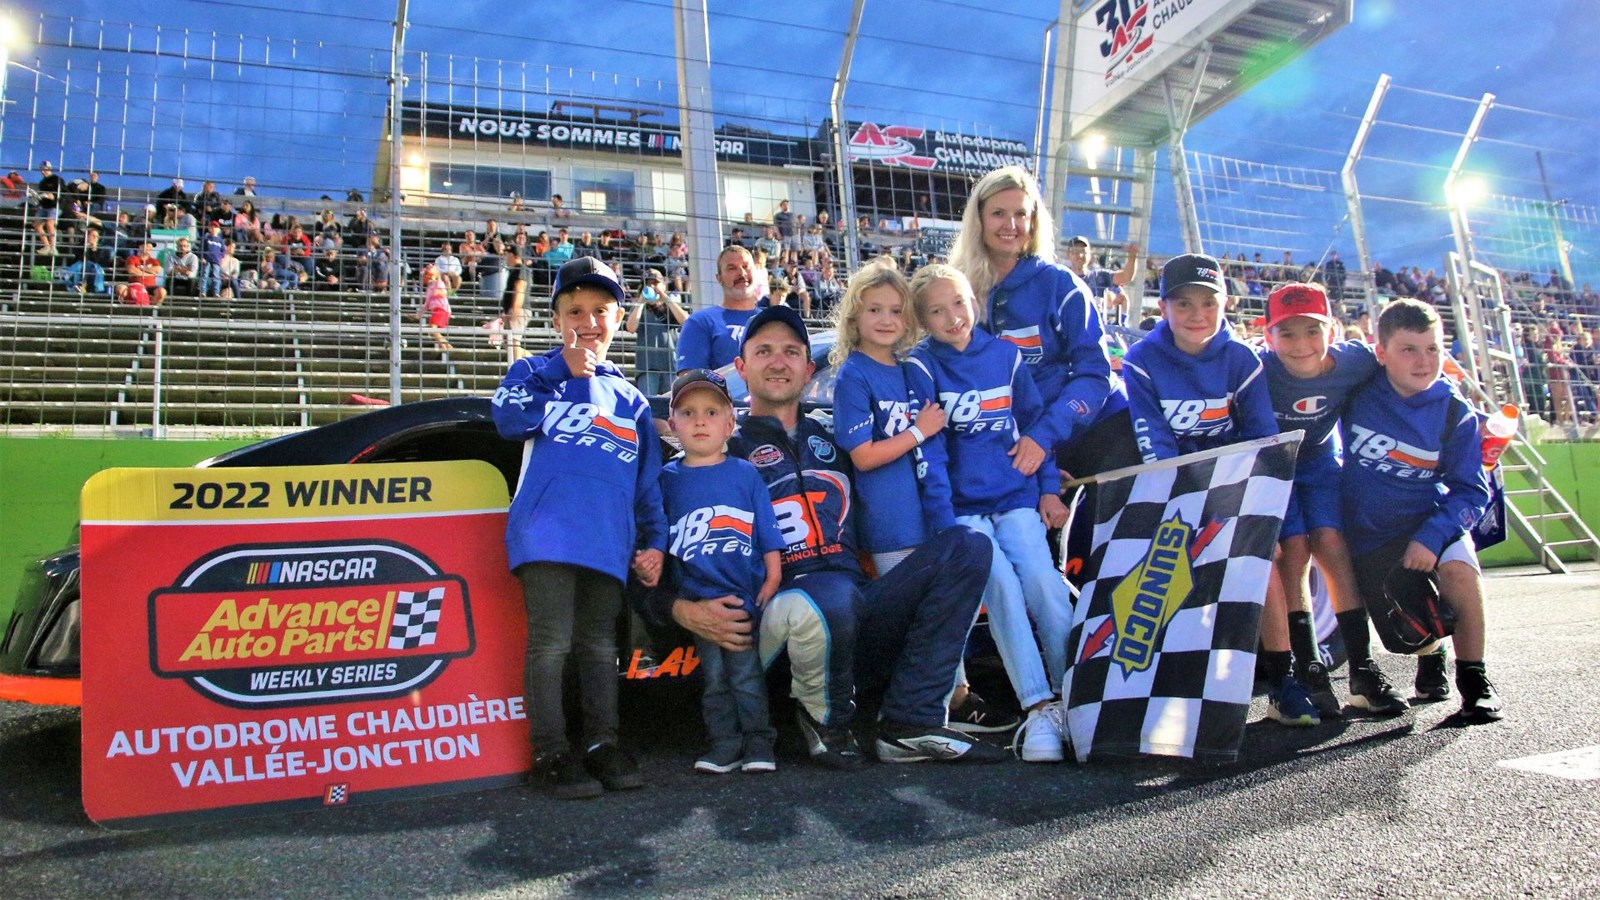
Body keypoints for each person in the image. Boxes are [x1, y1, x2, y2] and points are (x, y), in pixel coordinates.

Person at [640, 304, 1004, 768]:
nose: (778, 361)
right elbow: (643, 564)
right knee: (827, 594)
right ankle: (824, 720)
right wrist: (681, 610)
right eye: (764, 350)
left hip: (854, 608)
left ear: (809, 370)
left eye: (792, 352)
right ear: (740, 366)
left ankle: (910, 721)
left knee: (966, 548)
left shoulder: (840, 441)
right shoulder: (714, 451)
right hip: (768, 628)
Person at [490, 256, 668, 799]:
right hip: (544, 534)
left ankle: (601, 743)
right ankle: (550, 751)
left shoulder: (632, 399)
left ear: (620, 319)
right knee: (550, 643)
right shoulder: (532, 371)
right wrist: (559, 371)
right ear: (555, 319)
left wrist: (654, 542)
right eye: (575, 311)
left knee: (597, 646)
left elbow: (647, 483)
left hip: (608, 542)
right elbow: (508, 420)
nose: (588, 322)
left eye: (600, 311)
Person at [1122, 253, 1321, 727]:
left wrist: (1255, 512)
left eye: (1208, 302)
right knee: (1163, 565)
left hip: (1238, 487)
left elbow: (1262, 439)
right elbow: (1156, 445)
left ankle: (1282, 680)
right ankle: (1163, 684)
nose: (1196, 314)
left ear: (1224, 304)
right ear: (1164, 307)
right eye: (1183, 303)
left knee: (1262, 561)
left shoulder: (1241, 359)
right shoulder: (1142, 361)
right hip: (1176, 490)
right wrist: (1187, 506)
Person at [907, 264, 1072, 762]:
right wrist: (943, 521)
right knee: (997, 581)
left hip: (1015, 496)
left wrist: (1047, 490)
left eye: (957, 302)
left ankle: (1078, 694)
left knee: (1044, 581)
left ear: (972, 302)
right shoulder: (922, 366)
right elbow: (929, 453)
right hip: (962, 509)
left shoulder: (1005, 355)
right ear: (923, 321)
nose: (951, 316)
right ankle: (1039, 707)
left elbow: (1033, 427)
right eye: (936, 310)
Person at [949, 166, 1136, 586]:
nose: (1011, 225)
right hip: (1029, 448)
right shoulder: (960, 294)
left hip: (1103, 432)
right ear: (978, 218)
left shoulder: (1061, 284)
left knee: (1114, 560)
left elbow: (1095, 373)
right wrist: (1038, 460)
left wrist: (1044, 440)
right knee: (1042, 564)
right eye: (998, 213)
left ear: (1035, 222)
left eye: (1022, 213)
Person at [1340, 298, 1502, 723]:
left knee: (1460, 571)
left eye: (1433, 349)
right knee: (1405, 638)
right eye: (1409, 349)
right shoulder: (1354, 393)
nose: (1424, 361)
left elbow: (1471, 491)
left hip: (1426, 522)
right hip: (1368, 535)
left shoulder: (1454, 412)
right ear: (1381, 353)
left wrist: (1431, 538)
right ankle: (1431, 654)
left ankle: (1475, 682)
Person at [1257, 283, 1409, 717]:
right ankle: (1308, 672)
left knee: (1333, 547)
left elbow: (1397, 370)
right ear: (1268, 336)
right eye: (1287, 334)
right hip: (1275, 467)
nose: (1301, 344)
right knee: (1294, 553)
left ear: (1333, 329)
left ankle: (1362, 670)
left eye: (1312, 330)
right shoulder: (1257, 370)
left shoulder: (1356, 361)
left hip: (1321, 462)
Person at [656, 369, 784, 774]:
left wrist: (773, 574)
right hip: (699, 601)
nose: (699, 420)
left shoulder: (744, 473)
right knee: (713, 680)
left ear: (730, 423)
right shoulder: (666, 479)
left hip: (742, 595)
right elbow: (657, 537)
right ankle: (725, 744)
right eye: (688, 412)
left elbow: (767, 528)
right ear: (672, 423)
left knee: (746, 676)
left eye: (711, 412)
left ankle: (760, 742)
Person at [674, 246, 762, 374]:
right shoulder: (700, 322)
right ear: (719, 278)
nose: (741, 273)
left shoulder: (772, 322)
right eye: (732, 268)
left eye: (746, 266)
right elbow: (690, 381)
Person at [622, 269, 687, 395]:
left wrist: (664, 296)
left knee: (672, 404)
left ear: (663, 285)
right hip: (647, 366)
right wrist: (641, 301)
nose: (652, 287)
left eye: (656, 283)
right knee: (649, 404)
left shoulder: (669, 307)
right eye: (648, 284)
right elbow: (630, 327)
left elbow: (685, 321)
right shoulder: (640, 309)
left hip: (671, 366)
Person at [418, 263, 453, 351]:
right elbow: (427, 304)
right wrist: (419, 314)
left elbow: (444, 293)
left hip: (441, 309)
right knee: (432, 331)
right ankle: (446, 347)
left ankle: (446, 347)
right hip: (436, 310)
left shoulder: (438, 283)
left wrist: (437, 292)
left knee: (432, 329)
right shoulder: (430, 288)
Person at [33, 161, 64, 256]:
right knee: (37, 224)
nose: (43, 171)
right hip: (44, 205)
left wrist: (53, 196)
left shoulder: (57, 179)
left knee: (50, 223)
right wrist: (37, 197)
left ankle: (53, 247)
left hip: (54, 205)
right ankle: (46, 246)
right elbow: (42, 195)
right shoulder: (42, 182)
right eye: (42, 169)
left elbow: (63, 192)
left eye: (45, 169)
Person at [197, 221, 227, 297]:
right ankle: (203, 291)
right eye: (212, 227)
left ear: (219, 229)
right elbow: (201, 248)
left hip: (216, 261)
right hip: (207, 260)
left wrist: (221, 258)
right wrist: (202, 257)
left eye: (216, 227)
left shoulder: (220, 240)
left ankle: (216, 292)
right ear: (209, 228)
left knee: (216, 276)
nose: (213, 229)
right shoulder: (206, 238)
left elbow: (223, 251)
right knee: (204, 275)